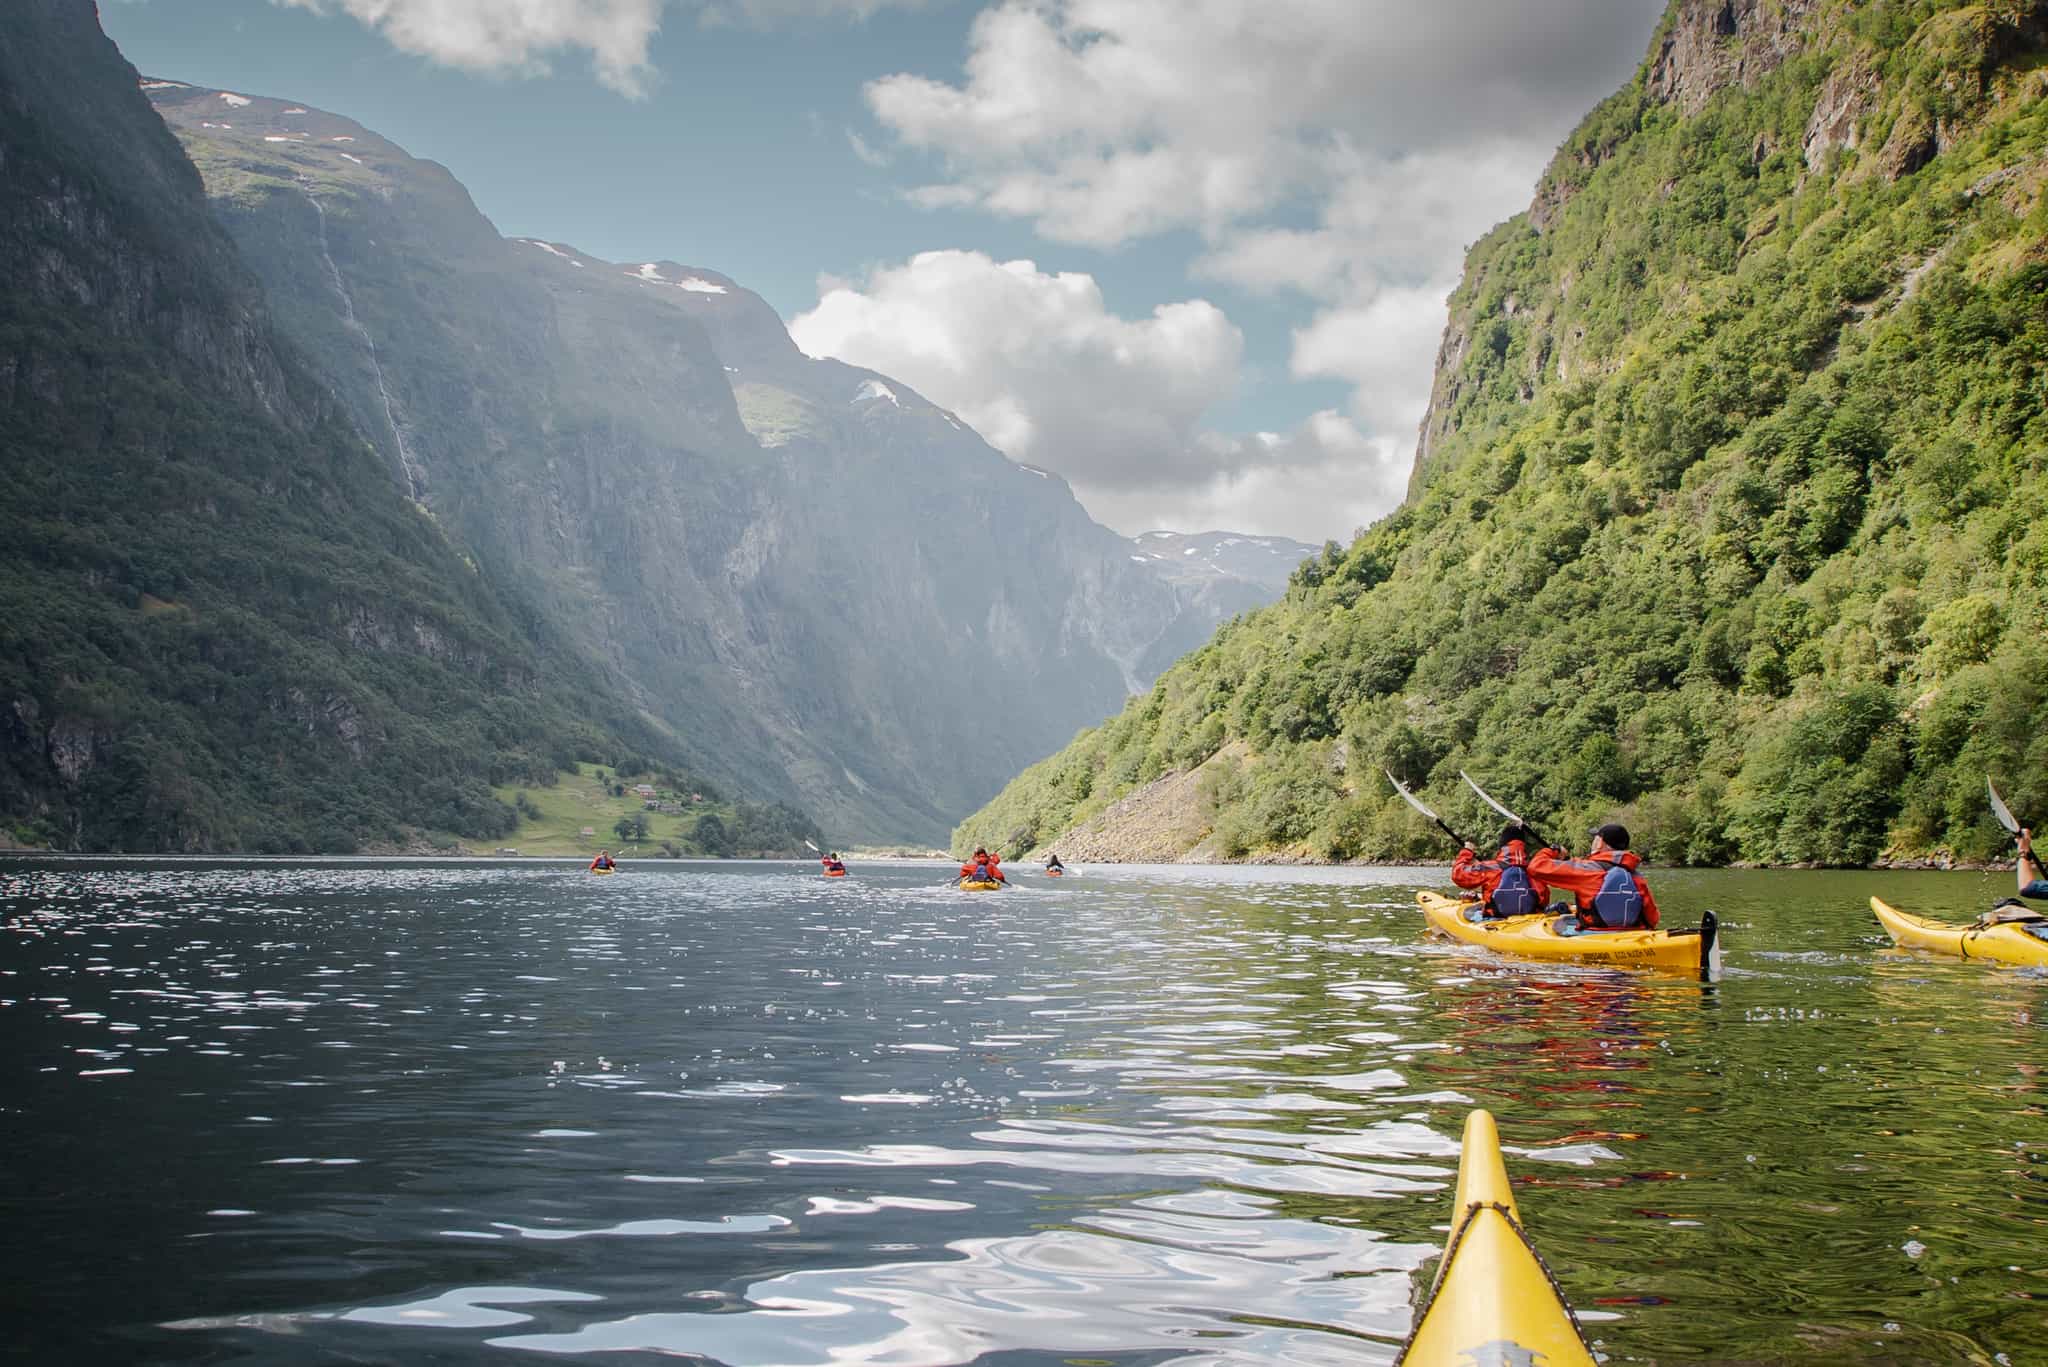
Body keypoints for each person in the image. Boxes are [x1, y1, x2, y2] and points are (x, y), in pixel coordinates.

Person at [1528, 823, 1658, 930]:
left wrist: (1553, 850)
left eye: (1595, 838)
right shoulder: (1636, 875)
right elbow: (1653, 918)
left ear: (1600, 843)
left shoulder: (1586, 870)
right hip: (1632, 934)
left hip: (1594, 934)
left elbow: (1536, 866)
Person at [1452, 823, 1550, 918]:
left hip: (1495, 920)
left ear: (1502, 846)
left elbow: (1458, 874)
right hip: (1530, 922)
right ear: (1524, 846)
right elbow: (1544, 900)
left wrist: (1467, 851)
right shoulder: (1536, 872)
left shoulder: (1490, 867)